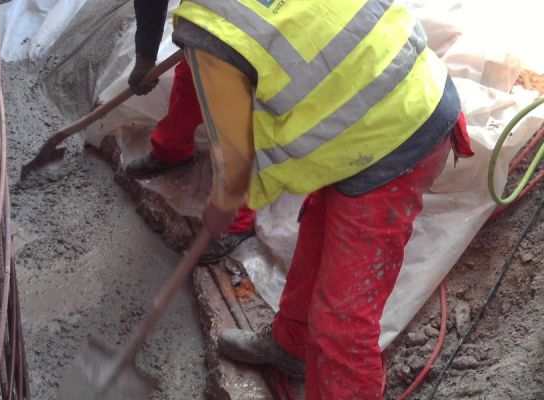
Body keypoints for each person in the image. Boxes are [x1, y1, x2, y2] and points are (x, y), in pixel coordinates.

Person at [130, 0, 474, 399]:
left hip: (399, 133)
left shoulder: (210, 26)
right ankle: (292, 345)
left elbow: (237, 154)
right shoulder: (218, 23)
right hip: (377, 107)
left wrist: (224, 202)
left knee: (342, 325)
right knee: (317, 229)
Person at [126, 2, 257, 264]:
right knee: (193, 73)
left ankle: (239, 218)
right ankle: (172, 150)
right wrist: (145, 57)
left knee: (233, 111)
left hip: (265, 21)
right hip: (215, 14)